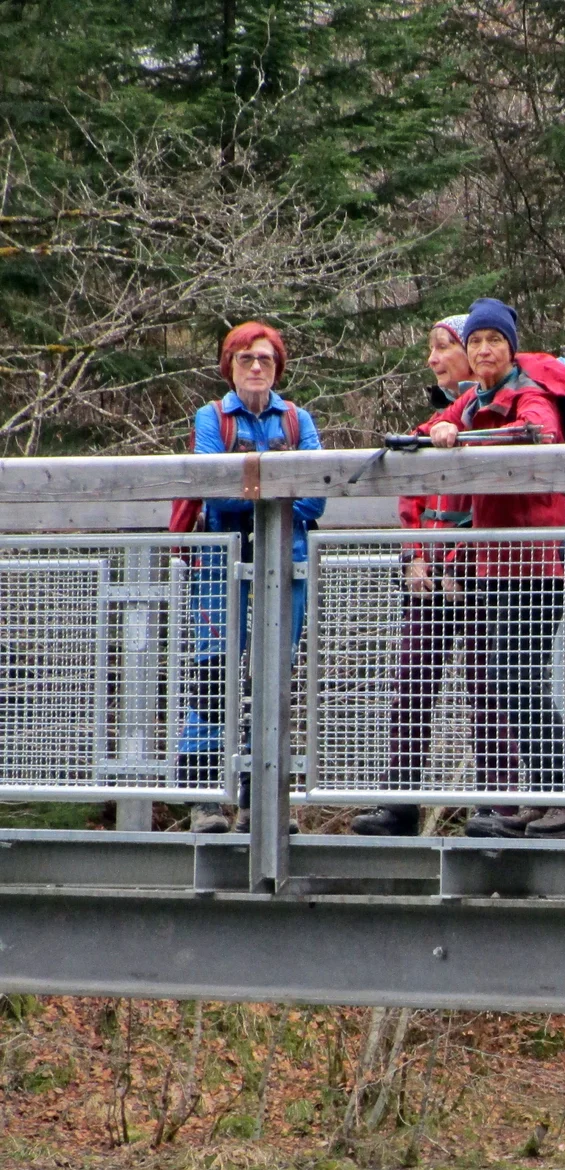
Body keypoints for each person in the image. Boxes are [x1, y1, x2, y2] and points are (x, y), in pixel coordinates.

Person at [417, 297, 565, 840]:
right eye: (475, 342)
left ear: (510, 347)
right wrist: (438, 432)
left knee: (514, 675)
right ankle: (547, 795)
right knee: (509, 677)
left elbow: (537, 436)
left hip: (537, 563)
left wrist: (464, 439)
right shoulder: (476, 397)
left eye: (493, 341)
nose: (482, 350)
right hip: (498, 563)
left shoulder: (529, 393)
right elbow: (431, 425)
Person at [351, 315, 517, 837]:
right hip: (433, 573)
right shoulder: (443, 416)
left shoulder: (495, 411)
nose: (433, 358)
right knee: (412, 679)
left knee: (492, 684)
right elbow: (415, 498)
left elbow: (496, 499)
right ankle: (399, 800)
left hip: (487, 571)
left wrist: (460, 559)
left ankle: (499, 803)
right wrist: (417, 556)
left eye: (443, 347)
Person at [177, 321, 325, 835]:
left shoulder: (296, 419)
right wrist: (272, 490)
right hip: (223, 566)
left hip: (287, 563)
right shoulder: (211, 417)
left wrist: (251, 493)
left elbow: (316, 494)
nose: (256, 368)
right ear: (230, 368)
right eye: (245, 360)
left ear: (278, 367)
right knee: (214, 674)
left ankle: (264, 802)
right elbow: (209, 487)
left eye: (264, 359)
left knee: (273, 679)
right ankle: (204, 799)